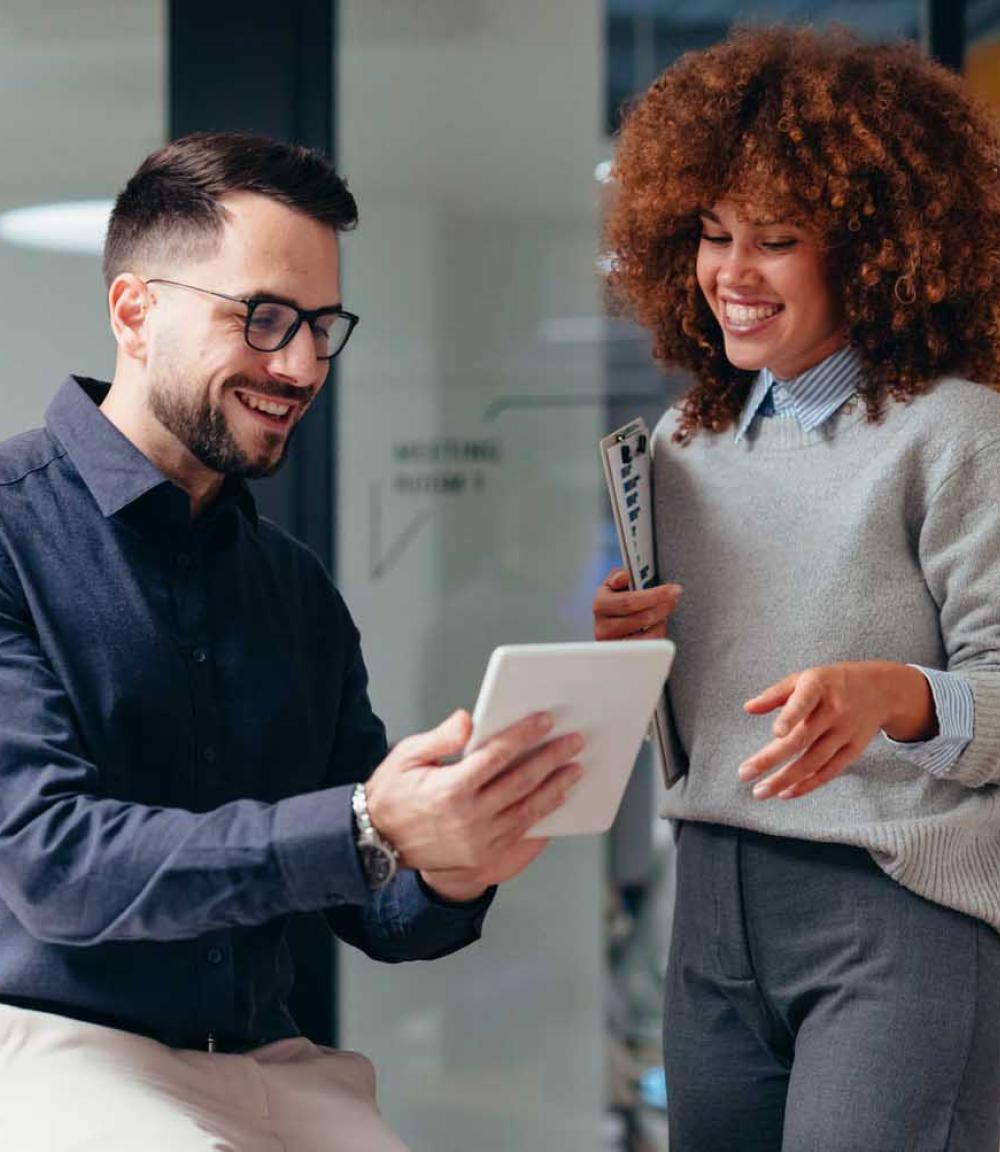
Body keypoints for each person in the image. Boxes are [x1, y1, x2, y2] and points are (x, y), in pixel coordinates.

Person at [0, 131, 584, 1152]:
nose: (303, 363)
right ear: (136, 313)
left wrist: (455, 857)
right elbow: (55, 864)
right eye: (263, 317)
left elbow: (380, 916)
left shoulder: (294, 591)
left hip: (272, 1066)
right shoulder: (10, 531)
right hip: (59, 1048)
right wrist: (365, 825)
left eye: (322, 325)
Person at [594, 27, 1000, 1152]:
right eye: (713, 235)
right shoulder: (681, 444)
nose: (731, 273)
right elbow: (695, 706)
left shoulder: (957, 436)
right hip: (708, 908)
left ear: (871, 249)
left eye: (777, 240)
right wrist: (625, 656)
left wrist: (896, 695)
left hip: (893, 920)